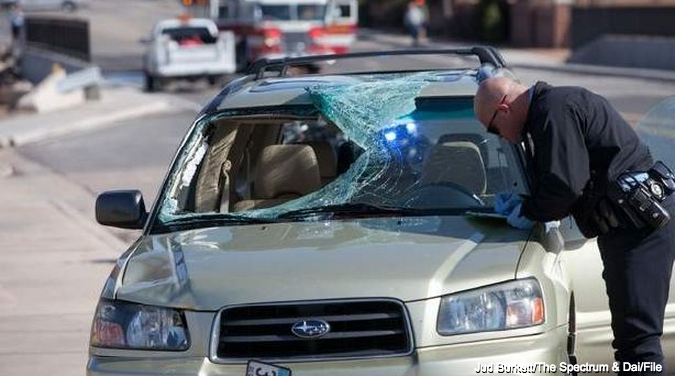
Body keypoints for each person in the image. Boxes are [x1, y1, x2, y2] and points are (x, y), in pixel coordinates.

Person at [474, 77, 675, 375]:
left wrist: (529, 210)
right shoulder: (550, 109)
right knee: (633, 343)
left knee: (638, 344)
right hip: (628, 224)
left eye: (493, 129)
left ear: (504, 108)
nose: (500, 137)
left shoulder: (552, 110)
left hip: (637, 228)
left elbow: (565, 185)